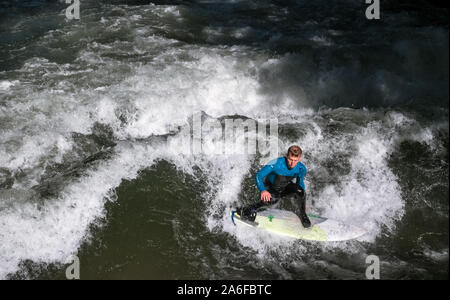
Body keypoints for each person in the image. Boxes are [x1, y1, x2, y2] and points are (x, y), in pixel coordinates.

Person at [236, 145, 311, 228]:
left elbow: (300, 183)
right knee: (272, 199)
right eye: (290, 159)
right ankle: (250, 208)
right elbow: (259, 176)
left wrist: (302, 200)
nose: (292, 163)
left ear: (299, 158)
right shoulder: (275, 163)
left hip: (284, 186)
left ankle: (302, 214)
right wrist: (263, 190)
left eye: (295, 160)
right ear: (286, 156)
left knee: (300, 191)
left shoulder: (301, 168)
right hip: (271, 187)